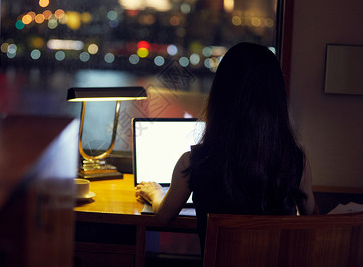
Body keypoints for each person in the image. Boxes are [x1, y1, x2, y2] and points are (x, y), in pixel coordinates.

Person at [135, 42, 318, 250]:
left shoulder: (195, 161)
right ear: (277, 101)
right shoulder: (295, 161)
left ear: (220, 97)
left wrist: (155, 192)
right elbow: (311, 216)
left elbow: (163, 217)